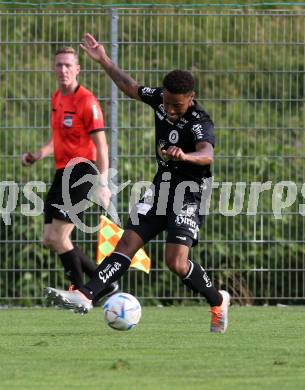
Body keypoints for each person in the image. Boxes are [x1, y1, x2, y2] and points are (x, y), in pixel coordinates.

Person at [44, 35, 230, 333]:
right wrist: (103, 59)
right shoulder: (161, 98)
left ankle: (218, 300)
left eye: (176, 106)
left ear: (191, 97)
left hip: (190, 194)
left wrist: (186, 155)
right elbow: (129, 86)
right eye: (167, 103)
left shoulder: (199, 120)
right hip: (161, 189)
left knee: (176, 263)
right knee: (127, 243)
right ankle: (85, 294)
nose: (169, 110)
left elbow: (207, 154)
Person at [22, 46, 118, 300]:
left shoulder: (87, 101)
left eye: (68, 65)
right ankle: (102, 284)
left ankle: (82, 294)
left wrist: (103, 183)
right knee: (50, 238)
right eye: (59, 65)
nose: (63, 70)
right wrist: (37, 155)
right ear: (54, 69)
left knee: (60, 236)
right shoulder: (57, 98)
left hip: (82, 171)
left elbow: (102, 145)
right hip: (62, 172)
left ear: (77, 69)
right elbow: (57, 139)